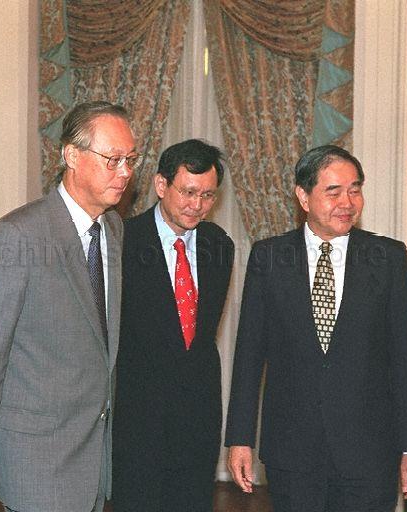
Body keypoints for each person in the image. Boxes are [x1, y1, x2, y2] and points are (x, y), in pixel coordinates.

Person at [225, 145, 407, 511]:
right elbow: (249, 354)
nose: (347, 202)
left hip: (369, 454)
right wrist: (240, 438)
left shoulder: (388, 259)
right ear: (303, 197)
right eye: (333, 191)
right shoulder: (269, 257)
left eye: (355, 189)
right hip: (292, 452)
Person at [0, 101, 136, 512]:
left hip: (92, 458)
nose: (125, 172)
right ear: (72, 156)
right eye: (113, 159)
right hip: (36, 459)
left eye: (130, 159)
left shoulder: (113, 228)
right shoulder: (16, 237)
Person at [113, 139, 234, 511]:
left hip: (197, 421)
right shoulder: (122, 241)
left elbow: (201, 336)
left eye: (208, 196)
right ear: (161, 185)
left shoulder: (219, 245)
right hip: (137, 422)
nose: (197, 205)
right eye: (188, 192)